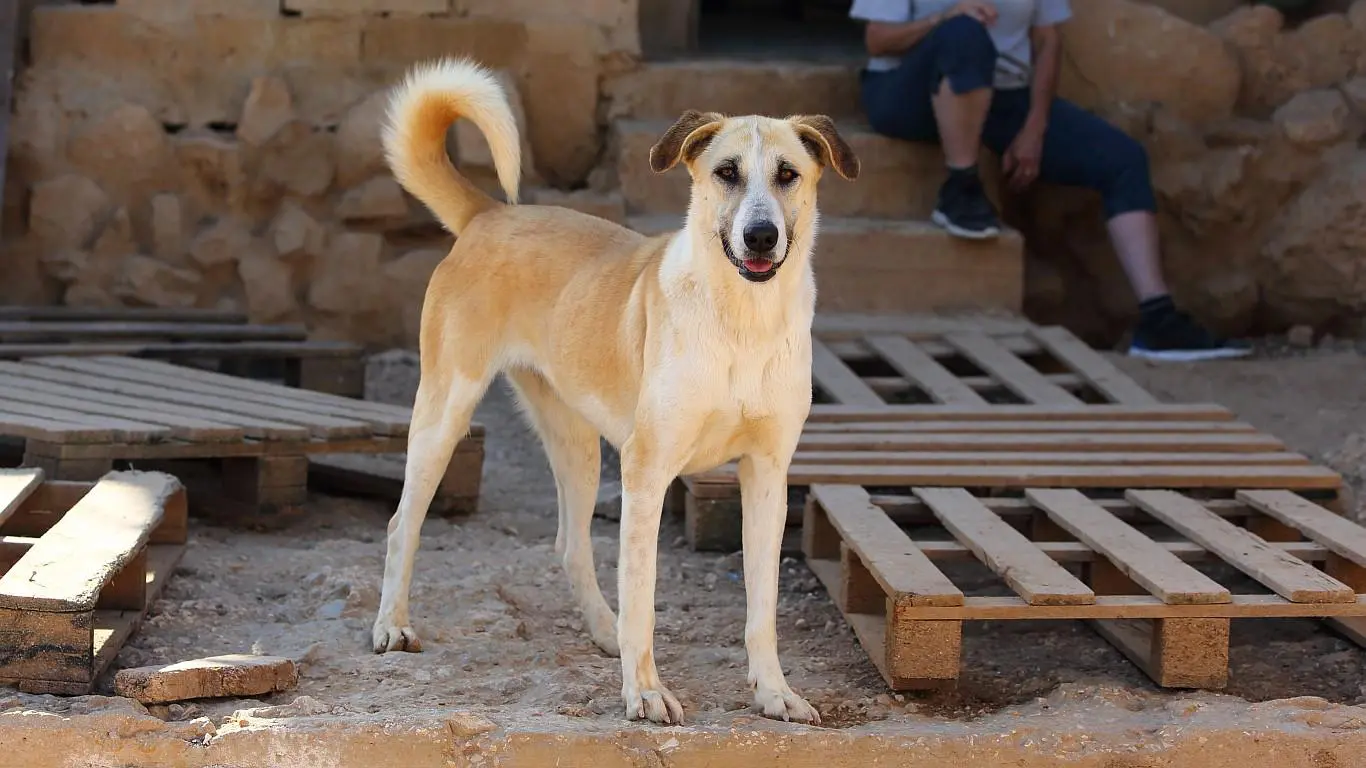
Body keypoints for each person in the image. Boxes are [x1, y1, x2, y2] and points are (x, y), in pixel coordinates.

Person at [848, 0, 1251, 361]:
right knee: (964, 32)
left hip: (1005, 96)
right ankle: (962, 184)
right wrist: (945, 18)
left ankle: (1158, 319)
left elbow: (1047, 42)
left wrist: (1035, 128)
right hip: (908, 93)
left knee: (1123, 160)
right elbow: (878, 39)